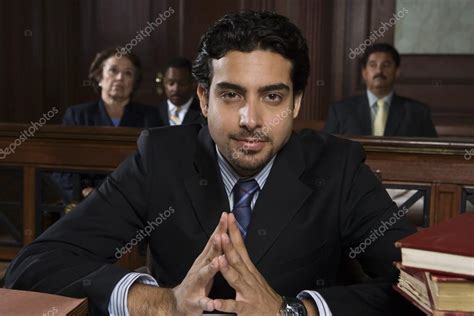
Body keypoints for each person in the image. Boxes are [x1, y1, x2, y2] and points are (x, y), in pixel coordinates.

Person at [5, 12, 422, 316]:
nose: (250, 119)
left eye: (272, 97)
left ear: (296, 103)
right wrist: (160, 302)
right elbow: (34, 265)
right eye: (231, 95)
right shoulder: (161, 159)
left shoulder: (338, 166)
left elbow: (418, 287)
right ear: (203, 99)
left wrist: (293, 311)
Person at [54, 48, 164, 201]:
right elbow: (59, 164)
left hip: (133, 200)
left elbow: (157, 165)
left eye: (128, 73)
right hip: (86, 201)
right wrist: (82, 191)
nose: (120, 78)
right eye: (113, 70)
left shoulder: (149, 116)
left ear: (134, 83)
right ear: (99, 77)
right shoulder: (77, 115)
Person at [324, 43, 438, 137]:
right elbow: (327, 150)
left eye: (386, 65)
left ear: (397, 71)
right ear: (364, 72)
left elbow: (432, 155)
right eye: (373, 65)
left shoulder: (418, 112)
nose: (379, 70)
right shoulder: (340, 111)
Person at [157, 57, 205, 126]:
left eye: (182, 83)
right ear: (164, 83)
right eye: (171, 83)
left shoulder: (203, 111)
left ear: (193, 83)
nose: (176, 89)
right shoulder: (156, 112)